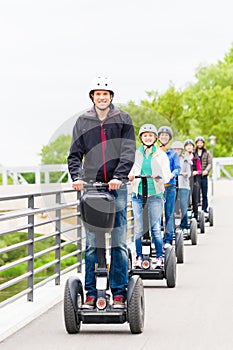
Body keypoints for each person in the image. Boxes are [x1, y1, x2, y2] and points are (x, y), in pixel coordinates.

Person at [67, 76, 136, 309]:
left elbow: (128, 151)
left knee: (118, 241)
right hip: (92, 188)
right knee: (92, 243)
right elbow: (75, 154)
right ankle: (90, 293)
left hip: (117, 187)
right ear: (92, 97)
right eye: (98, 94)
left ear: (111, 97)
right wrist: (77, 177)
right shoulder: (83, 121)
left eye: (105, 94)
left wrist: (119, 176)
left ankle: (118, 293)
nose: (102, 97)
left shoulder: (123, 119)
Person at [128, 124, 171, 267]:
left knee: (155, 228)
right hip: (138, 194)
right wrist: (130, 175)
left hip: (155, 195)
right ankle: (139, 257)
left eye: (150, 135)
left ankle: (159, 257)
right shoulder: (136, 154)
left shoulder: (161, 155)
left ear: (155, 138)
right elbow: (130, 168)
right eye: (145, 135)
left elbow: (167, 173)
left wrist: (160, 176)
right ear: (141, 138)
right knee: (139, 228)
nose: (148, 138)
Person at [158, 126, 181, 247]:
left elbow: (177, 168)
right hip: (156, 187)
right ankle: (156, 239)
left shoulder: (173, 153)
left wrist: (173, 174)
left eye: (166, 136)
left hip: (169, 186)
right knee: (156, 213)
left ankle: (168, 240)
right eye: (162, 135)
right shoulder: (155, 151)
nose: (164, 137)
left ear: (169, 138)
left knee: (169, 212)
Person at [171, 141, 191, 234]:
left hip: (183, 185)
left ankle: (184, 226)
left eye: (178, 149)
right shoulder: (169, 159)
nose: (177, 151)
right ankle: (173, 226)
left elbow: (189, 173)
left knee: (183, 206)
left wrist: (184, 174)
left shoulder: (185, 159)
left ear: (181, 150)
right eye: (175, 149)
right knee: (172, 207)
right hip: (173, 185)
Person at [193, 136, 212, 214]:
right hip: (196, 176)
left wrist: (206, 170)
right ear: (196, 144)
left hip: (204, 176)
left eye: (201, 143)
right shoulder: (194, 153)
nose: (199, 144)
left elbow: (210, 163)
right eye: (198, 142)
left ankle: (204, 209)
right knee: (196, 193)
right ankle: (196, 209)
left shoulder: (207, 153)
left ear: (203, 144)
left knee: (204, 193)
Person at [184, 139, 202, 220]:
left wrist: (195, 172)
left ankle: (196, 215)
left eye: (191, 146)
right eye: (187, 146)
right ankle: (184, 215)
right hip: (184, 181)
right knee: (184, 199)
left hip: (194, 180)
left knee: (195, 198)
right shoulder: (183, 157)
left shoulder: (196, 158)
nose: (189, 147)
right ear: (185, 148)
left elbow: (200, 170)